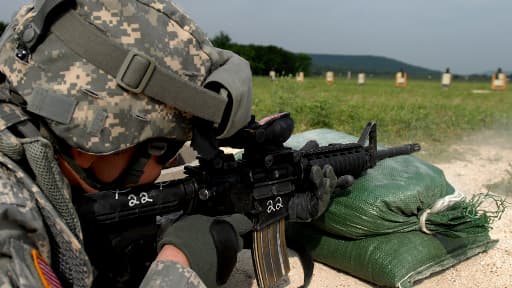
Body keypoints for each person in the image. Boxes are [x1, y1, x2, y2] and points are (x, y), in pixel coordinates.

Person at [0, 0, 339, 287]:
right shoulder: (9, 224)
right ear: (91, 142)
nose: (173, 163)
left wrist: (272, 206)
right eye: (168, 151)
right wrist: (180, 261)